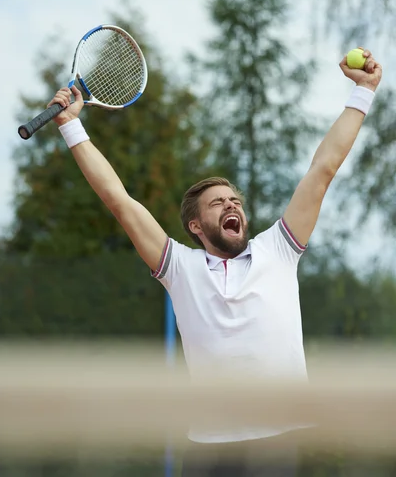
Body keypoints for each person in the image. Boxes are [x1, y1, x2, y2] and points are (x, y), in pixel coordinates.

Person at [48, 49, 382, 476]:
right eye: (218, 202)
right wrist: (70, 124)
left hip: (277, 441)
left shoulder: (277, 249)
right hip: (206, 449)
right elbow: (119, 200)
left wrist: (364, 91)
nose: (232, 205)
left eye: (235, 201)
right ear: (195, 225)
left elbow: (323, 169)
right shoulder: (180, 268)